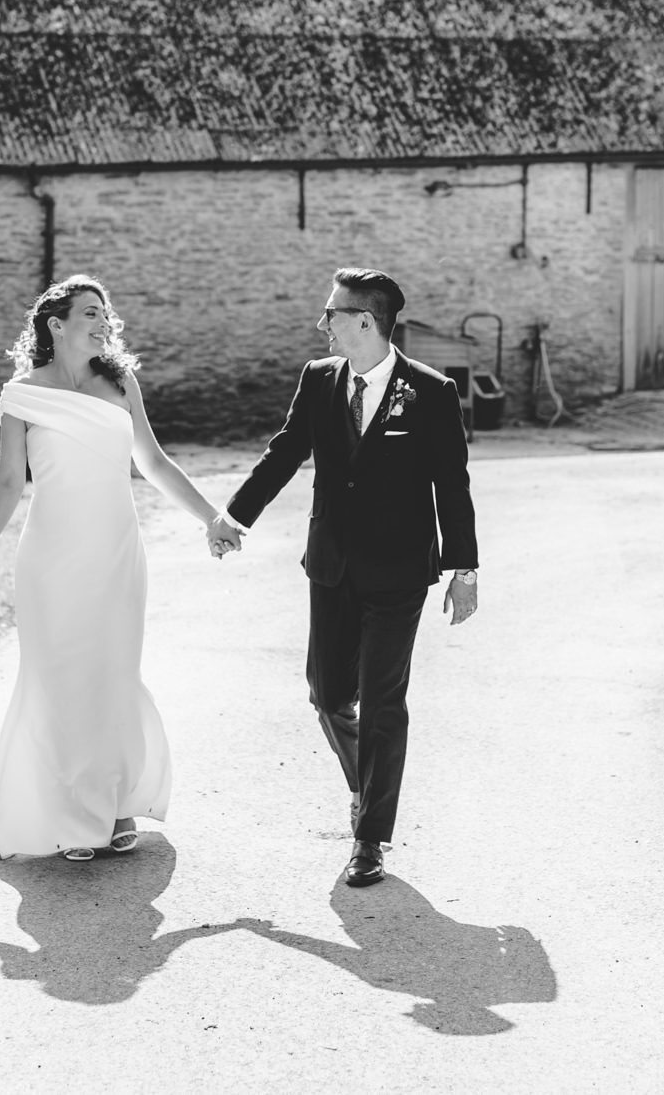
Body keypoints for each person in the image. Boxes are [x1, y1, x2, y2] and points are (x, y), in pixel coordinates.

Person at [0, 275, 241, 861]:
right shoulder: (21, 395)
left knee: (110, 673)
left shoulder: (120, 383)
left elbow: (152, 463)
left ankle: (115, 805)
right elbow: (9, 482)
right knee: (59, 678)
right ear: (56, 325)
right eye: (89, 312)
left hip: (115, 550)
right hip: (51, 557)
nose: (103, 321)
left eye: (105, 313)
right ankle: (70, 815)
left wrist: (213, 518)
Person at [210, 267, 479, 888]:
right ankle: (372, 787)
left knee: (383, 702)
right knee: (328, 695)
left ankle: (369, 837)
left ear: (365, 320)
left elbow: (452, 487)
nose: (322, 323)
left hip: (400, 572)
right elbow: (285, 452)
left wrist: (464, 568)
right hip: (330, 565)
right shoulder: (318, 379)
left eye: (331, 313)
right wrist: (235, 516)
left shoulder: (432, 392)